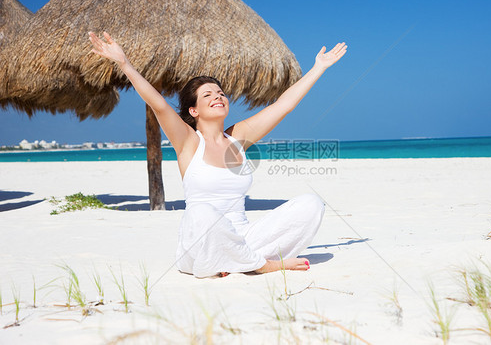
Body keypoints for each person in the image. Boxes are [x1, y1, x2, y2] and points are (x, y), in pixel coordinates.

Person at [89, 32, 347, 277]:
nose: (218, 96)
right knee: (203, 212)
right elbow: (158, 104)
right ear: (194, 110)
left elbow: (283, 106)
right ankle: (261, 265)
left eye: (221, 93)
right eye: (208, 95)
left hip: (243, 238)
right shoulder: (188, 142)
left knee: (311, 204)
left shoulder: (238, 138)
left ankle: (239, 261)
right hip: (199, 242)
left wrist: (318, 68)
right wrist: (124, 64)